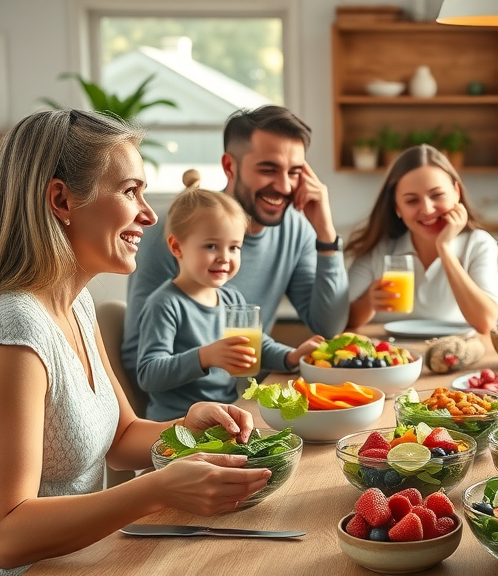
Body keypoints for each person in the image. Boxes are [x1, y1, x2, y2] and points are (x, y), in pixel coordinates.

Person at [0, 110, 271, 575]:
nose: (148, 214)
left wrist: (188, 425)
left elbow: (122, 437)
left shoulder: (76, 304)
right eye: (130, 191)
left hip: (93, 560)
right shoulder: (17, 332)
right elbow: (7, 534)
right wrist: (157, 489)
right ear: (62, 200)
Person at [122, 105, 347, 387]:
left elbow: (328, 327)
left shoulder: (297, 229)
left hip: (246, 399)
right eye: (269, 169)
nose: (285, 186)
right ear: (230, 166)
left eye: (294, 172)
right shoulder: (177, 228)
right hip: (183, 411)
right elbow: (139, 362)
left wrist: (326, 234)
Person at [136, 175, 324, 420]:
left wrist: (291, 356)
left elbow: (259, 345)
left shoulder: (231, 298)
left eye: (234, 247)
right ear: (177, 247)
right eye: (211, 246)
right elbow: (148, 374)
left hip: (226, 416)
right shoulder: (165, 304)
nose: (225, 257)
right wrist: (205, 356)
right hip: (177, 424)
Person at [345, 145, 498, 334]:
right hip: (390, 357)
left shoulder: (478, 244)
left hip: (452, 355)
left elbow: (486, 321)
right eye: (412, 201)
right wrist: (369, 302)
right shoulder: (377, 249)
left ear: (456, 193)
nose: (427, 209)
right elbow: (340, 319)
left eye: (437, 195)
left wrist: (444, 249)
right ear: (397, 207)